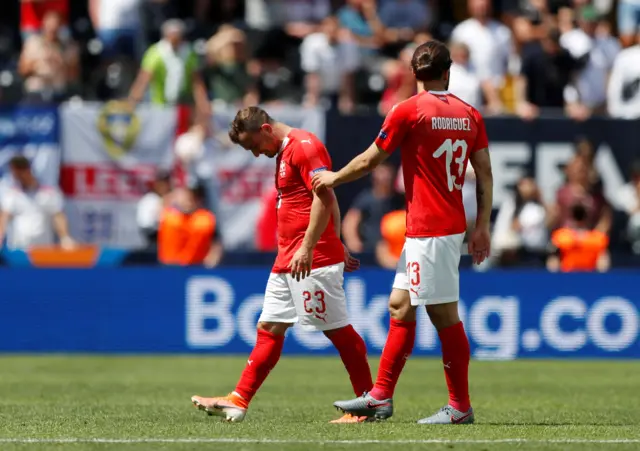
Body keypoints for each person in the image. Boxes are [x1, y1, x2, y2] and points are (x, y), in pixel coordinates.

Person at [312, 40, 493, 424]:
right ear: (448, 72)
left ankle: (460, 407)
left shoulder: (408, 111)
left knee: (444, 315)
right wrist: (483, 228)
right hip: (437, 228)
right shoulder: (470, 115)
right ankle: (381, 397)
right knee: (399, 305)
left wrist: (334, 178)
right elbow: (485, 175)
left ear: (414, 74)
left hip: (431, 229)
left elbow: (369, 160)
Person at [191, 106, 373, 424]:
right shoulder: (283, 154)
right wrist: (336, 239)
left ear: (265, 129)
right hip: (288, 258)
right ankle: (239, 399)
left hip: (310, 259)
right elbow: (322, 198)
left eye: (254, 146)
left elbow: (325, 196)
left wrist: (311, 246)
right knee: (269, 327)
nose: (257, 154)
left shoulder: (306, 147)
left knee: (337, 330)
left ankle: (368, 404)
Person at [0, 155, 75, 250]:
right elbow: (4, 217)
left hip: (43, 250)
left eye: (20, 170)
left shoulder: (49, 193)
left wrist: (65, 237)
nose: (16, 175)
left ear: (28, 169)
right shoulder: (11, 194)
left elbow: (58, 216)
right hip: (18, 250)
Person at [157, 185, 223, 268]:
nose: (189, 199)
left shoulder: (205, 219)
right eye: (187, 195)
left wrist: (212, 260)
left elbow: (216, 243)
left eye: (193, 196)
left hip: (196, 267)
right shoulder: (168, 216)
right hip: (169, 267)